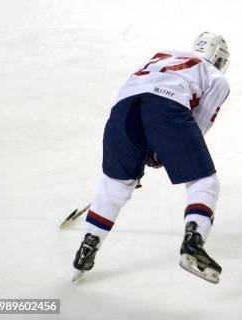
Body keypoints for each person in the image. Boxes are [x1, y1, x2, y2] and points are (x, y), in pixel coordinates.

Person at [72, 32, 230, 284]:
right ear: (219, 58)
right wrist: (165, 152)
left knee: (115, 184)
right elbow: (197, 126)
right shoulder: (215, 76)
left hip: (122, 112)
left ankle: (89, 244)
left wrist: (143, 148)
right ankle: (193, 242)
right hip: (167, 109)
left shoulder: (161, 55)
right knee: (204, 180)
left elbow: (138, 91)